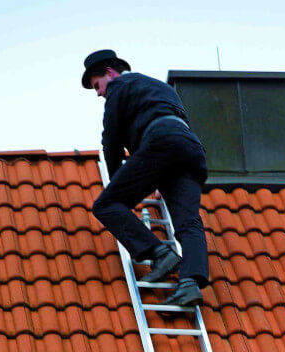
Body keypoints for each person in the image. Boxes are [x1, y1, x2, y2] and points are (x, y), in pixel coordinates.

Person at [83, 49, 209, 309]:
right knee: (189, 222)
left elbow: (112, 139)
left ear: (110, 72)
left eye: (97, 85)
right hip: (190, 151)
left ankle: (159, 253)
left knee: (106, 205)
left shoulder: (120, 85)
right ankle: (190, 284)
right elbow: (174, 128)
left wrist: (118, 184)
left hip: (161, 142)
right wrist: (165, 180)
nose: (98, 93)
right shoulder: (160, 88)